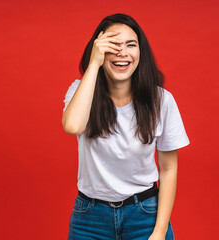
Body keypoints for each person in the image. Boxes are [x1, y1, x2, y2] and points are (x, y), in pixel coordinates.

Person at [62, 13, 189, 240]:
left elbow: (169, 169)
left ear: (141, 52)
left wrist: (159, 231)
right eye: (113, 44)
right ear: (98, 49)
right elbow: (73, 125)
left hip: (145, 213)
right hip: (90, 217)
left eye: (131, 44)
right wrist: (93, 64)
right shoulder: (80, 91)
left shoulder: (162, 100)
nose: (122, 52)